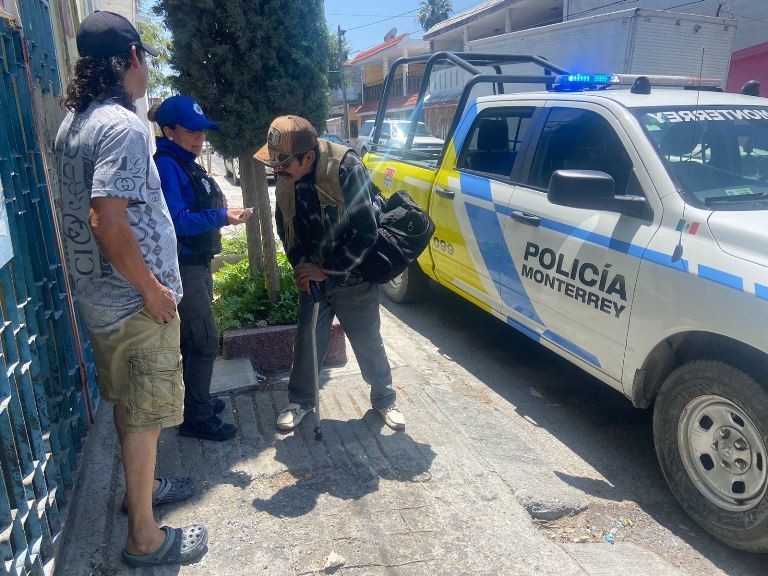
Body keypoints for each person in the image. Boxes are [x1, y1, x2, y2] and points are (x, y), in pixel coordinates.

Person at [55, 11, 207, 567]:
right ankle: (144, 538)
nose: (148, 74)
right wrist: (151, 289)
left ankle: (140, 494)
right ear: (132, 60)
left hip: (100, 301)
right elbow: (106, 219)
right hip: (133, 303)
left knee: (127, 405)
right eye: (147, 61)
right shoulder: (121, 127)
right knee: (145, 416)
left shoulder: (72, 124)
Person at [253, 115, 405, 432]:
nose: (277, 171)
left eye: (283, 165)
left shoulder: (347, 168)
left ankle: (385, 400)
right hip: (313, 273)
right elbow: (285, 227)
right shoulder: (286, 174)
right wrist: (302, 268)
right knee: (307, 341)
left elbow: (367, 233)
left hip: (352, 275)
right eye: (275, 165)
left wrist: (325, 269)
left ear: (308, 157)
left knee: (368, 342)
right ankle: (302, 401)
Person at [150, 95, 254, 441]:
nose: (199, 138)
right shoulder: (167, 165)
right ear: (169, 131)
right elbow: (176, 222)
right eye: (191, 131)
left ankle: (196, 402)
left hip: (196, 263)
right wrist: (222, 216)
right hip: (184, 265)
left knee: (193, 343)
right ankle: (196, 417)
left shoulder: (184, 161)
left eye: (202, 131)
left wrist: (217, 208)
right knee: (205, 343)